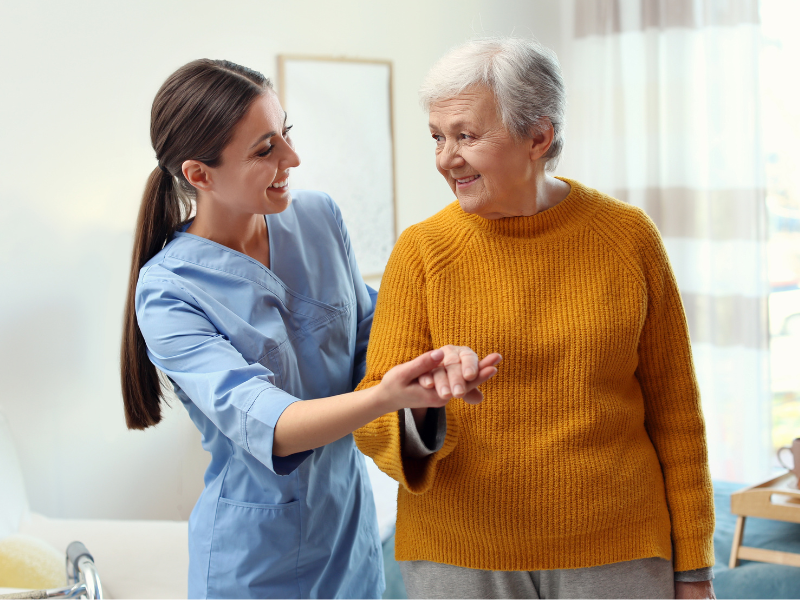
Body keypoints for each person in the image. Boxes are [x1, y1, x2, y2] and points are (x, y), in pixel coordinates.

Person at [119, 59, 500, 599]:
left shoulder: (319, 219)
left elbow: (374, 337)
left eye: (286, 133)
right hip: (254, 563)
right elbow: (270, 424)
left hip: (349, 537)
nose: (292, 158)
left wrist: (428, 372)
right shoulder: (169, 292)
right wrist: (385, 395)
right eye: (264, 149)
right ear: (199, 175)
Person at [354, 38, 716, 599]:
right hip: (460, 557)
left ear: (538, 138)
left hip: (617, 549)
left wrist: (694, 570)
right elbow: (373, 418)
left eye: (466, 136)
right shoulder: (421, 250)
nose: (446, 158)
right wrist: (425, 401)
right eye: (437, 137)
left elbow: (677, 414)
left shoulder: (628, 237)